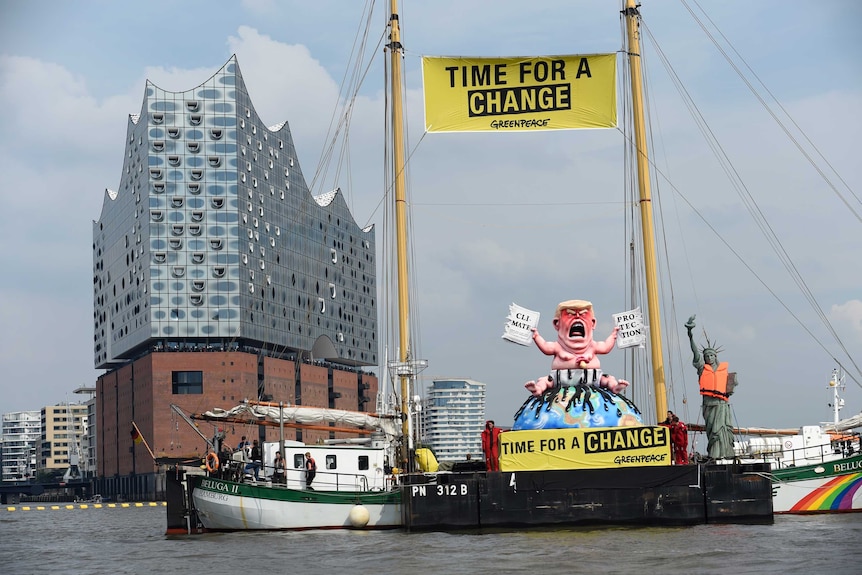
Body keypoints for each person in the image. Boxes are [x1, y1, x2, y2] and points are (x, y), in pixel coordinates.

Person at [525, 300, 628, 397]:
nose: (577, 317)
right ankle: (538, 389)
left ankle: (615, 387)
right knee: (544, 381)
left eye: (583, 314)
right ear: (557, 323)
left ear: (592, 323)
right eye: (570, 314)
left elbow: (606, 347)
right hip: (559, 379)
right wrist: (536, 336)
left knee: (608, 379)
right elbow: (546, 347)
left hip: (593, 378)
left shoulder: (592, 346)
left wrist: (613, 336)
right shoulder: (558, 346)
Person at [685, 315, 736, 460]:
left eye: (711, 355)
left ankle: (727, 454)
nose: (709, 358)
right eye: (706, 356)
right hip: (710, 405)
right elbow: (695, 352)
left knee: (724, 430)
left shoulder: (722, 371)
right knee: (714, 431)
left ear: (715, 356)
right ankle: (715, 455)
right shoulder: (702, 369)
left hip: (722, 405)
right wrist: (690, 335)